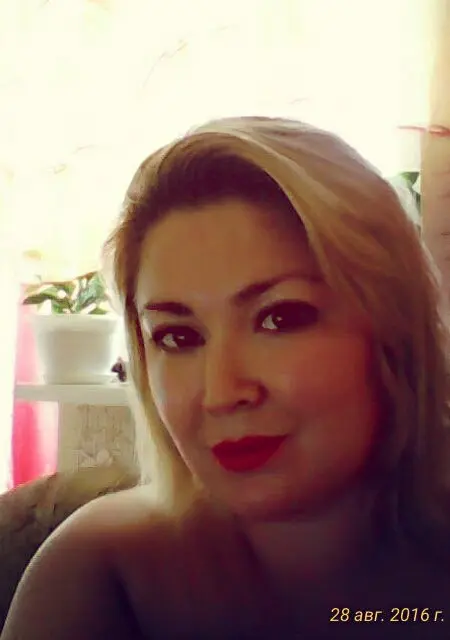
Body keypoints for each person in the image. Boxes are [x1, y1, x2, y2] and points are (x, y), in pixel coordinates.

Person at [2, 116, 450, 640]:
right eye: (178, 337)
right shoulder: (101, 571)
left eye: (280, 318)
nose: (221, 393)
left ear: (392, 328)